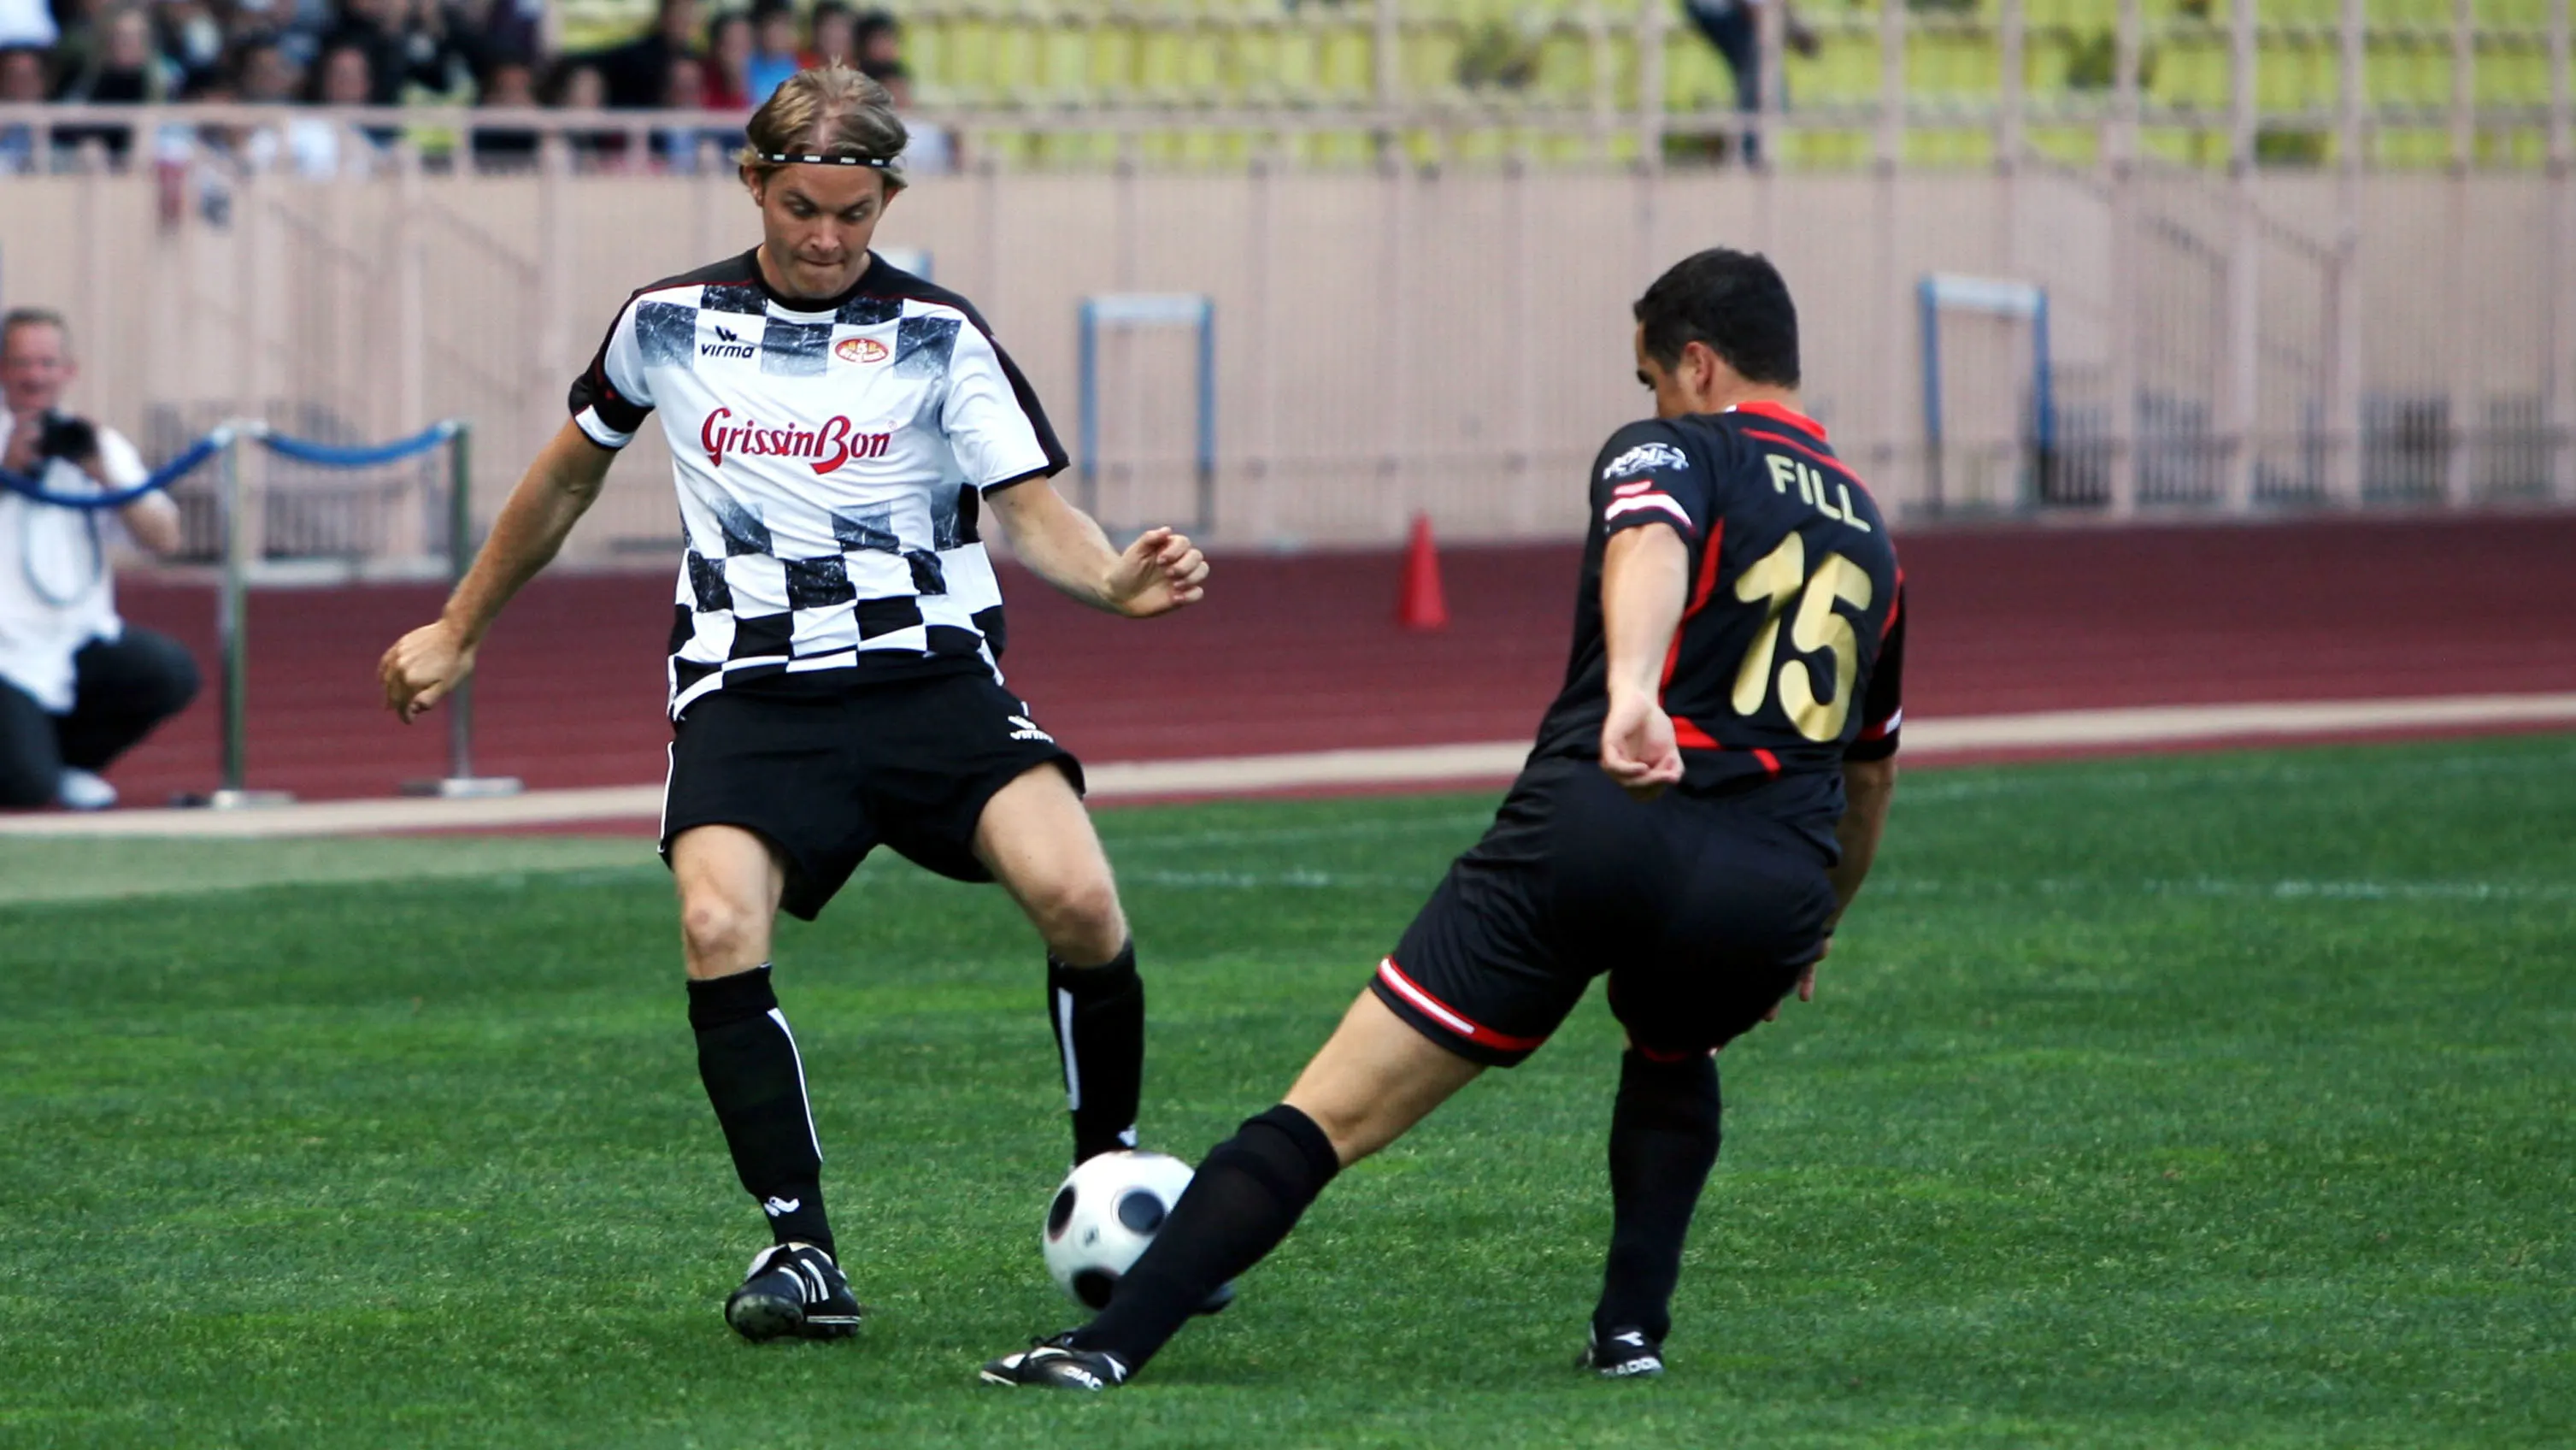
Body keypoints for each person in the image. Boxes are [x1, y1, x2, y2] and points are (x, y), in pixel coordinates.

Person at [379, 66, 1210, 1344]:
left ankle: (1114, 1181)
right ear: (753, 183)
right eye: (803, 208)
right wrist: (459, 623)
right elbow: (562, 482)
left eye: (854, 213)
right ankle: (801, 1250)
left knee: (1081, 899)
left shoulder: (939, 333)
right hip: (749, 688)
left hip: (929, 675)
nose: (827, 238)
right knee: (716, 923)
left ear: (888, 202)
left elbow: (1031, 508)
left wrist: (1110, 579)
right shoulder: (667, 322)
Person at [980, 247, 1906, 1391]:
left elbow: (1650, 537)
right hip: (1768, 884)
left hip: (1601, 825)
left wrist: (1632, 690)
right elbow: (1870, 778)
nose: (1652, 401)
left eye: (1652, 377)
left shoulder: (1674, 448)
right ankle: (1628, 1336)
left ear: (1700, 365)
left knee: (1328, 1113)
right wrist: (1817, 924)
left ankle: (1103, 1347)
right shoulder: (1872, 533)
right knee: (1676, 1047)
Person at [0, 309, 198, 810]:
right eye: (21, 363)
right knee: (24, 788)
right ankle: (33, 763)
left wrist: (102, 474)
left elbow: (165, 538)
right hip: (5, 653)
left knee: (168, 670)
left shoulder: (94, 442)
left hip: (76, 639)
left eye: (47, 363)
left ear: (70, 371)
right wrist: (8, 470)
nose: (35, 377)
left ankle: (71, 763)